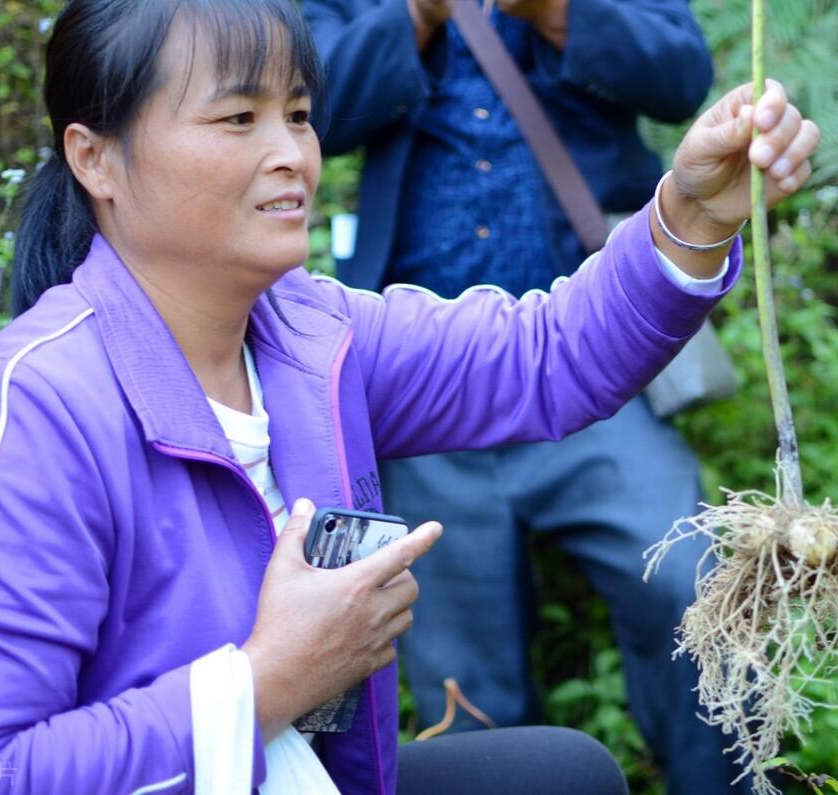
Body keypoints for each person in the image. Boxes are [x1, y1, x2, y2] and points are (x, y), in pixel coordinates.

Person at [0, 1, 817, 793]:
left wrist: (695, 213)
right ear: (95, 158)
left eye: (298, 114)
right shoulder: (26, 411)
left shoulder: (312, 335)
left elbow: (545, 355)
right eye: (237, 118)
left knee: (561, 772)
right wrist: (267, 680)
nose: (291, 154)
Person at [300, 0, 761, 790]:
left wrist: (556, 12)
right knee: (464, 677)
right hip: (422, 387)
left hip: (593, 358)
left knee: (694, 584)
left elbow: (680, 72)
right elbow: (310, 107)